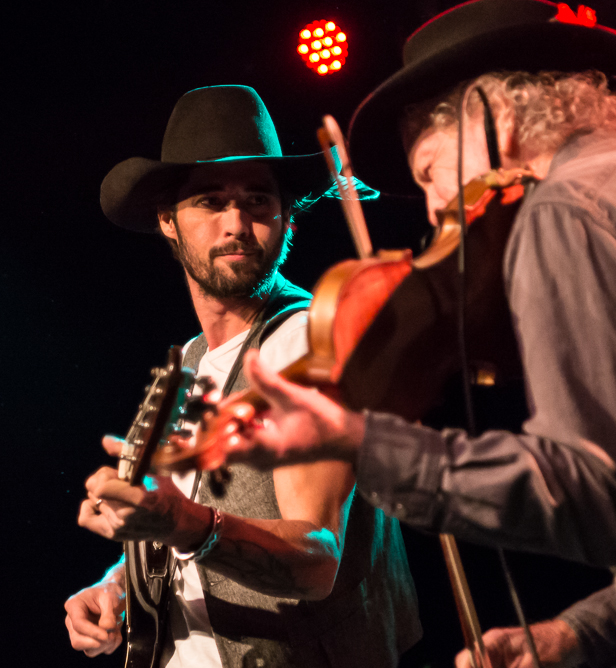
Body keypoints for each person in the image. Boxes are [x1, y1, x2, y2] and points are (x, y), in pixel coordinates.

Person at [190, 2, 616, 666]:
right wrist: (578, 633)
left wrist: (363, 444)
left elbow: (588, 498)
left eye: (431, 173)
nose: (436, 212)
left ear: (494, 117)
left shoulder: (568, 211)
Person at [63, 85, 421, 668]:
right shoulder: (191, 363)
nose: (236, 223)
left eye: (258, 200)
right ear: (168, 222)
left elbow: (318, 559)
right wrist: (119, 586)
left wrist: (183, 524)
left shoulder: (307, 344)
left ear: (288, 221)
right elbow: (176, 525)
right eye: (209, 201)